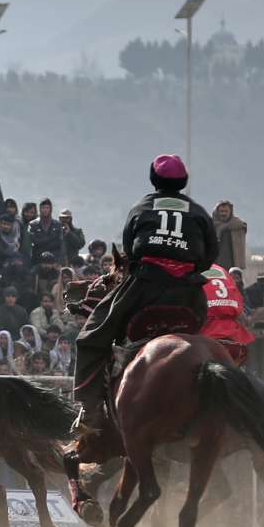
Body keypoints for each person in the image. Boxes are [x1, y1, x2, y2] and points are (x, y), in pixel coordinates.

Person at [73, 155, 217, 432]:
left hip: (145, 288)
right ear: (183, 181)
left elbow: (129, 248)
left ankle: (89, 409)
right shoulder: (199, 212)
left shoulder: (142, 206)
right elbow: (209, 257)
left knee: (91, 337)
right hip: (188, 294)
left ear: (154, 179)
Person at [198, 264, 253, 364]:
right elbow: (240, 314)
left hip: (207, 335)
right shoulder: (222, 271)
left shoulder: (189, 269)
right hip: (234, 340)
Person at [213, 201, 247, 269]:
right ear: (217, 212)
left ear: (230, 212)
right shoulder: (211, 225)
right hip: (215, 264)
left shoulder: (237, 224)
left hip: (232, 264)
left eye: (226, 211)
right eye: (221, 211)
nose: (223, 213)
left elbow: (243, 226)